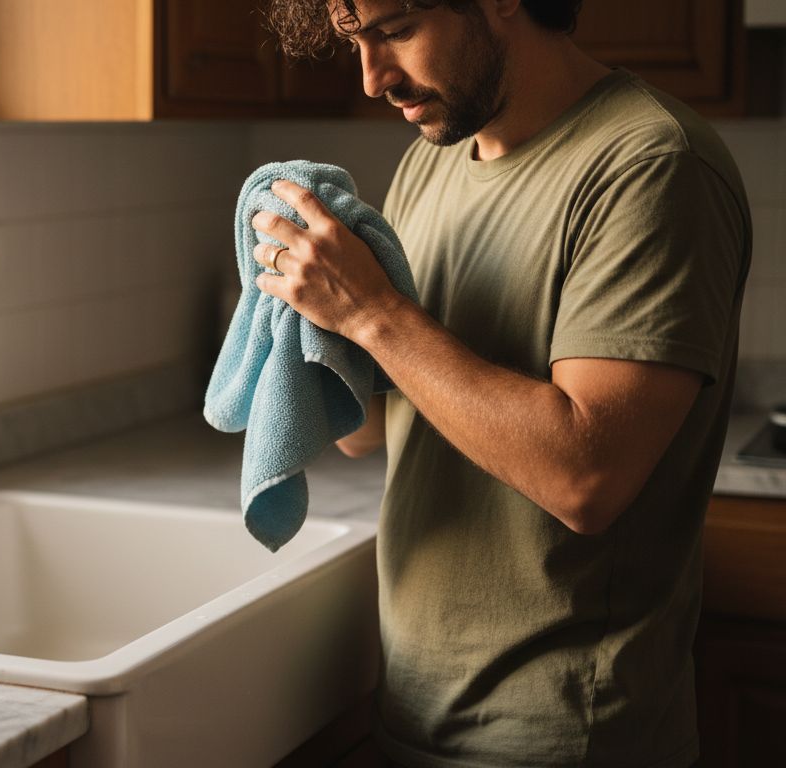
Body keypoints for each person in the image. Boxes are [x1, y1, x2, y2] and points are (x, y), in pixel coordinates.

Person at [254, 1, 752, 766]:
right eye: (355, 41)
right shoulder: (435, 155)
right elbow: (370, 430)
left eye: (393, 31)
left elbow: (585, 475)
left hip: (564, 735)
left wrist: (373, 312)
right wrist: (316, 311)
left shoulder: (651, 164)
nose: (372, 78)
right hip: (417, 706)